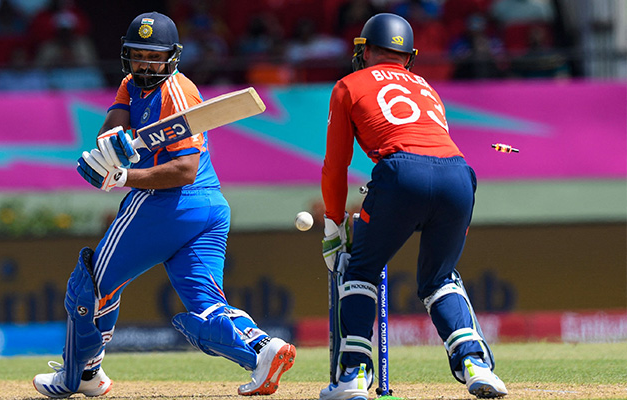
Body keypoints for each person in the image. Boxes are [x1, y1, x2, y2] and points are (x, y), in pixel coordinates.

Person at [32, 11, 296, 398]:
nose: (144, 63)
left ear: (171, 57)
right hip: (208, 208)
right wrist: (113, 147)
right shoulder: (130, 84)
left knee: (90, 287)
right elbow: (112, 128)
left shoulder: (177, 93)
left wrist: (122, 176)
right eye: (138, 55)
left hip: (167, 203)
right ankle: (261, 352)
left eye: (153, 56)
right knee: (206, 308)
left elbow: (185, 169)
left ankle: (80, 376)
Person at [319, 13, 507, 400]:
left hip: (401, 172)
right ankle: (476, 365)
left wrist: (334, 225)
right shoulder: (426, 87)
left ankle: (353, 377)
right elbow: (436, 150)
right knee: (440, 279)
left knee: (360, 270)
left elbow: (335, 167)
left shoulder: (348, 85)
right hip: (459, 175)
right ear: (408, 57)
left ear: (366, 50)